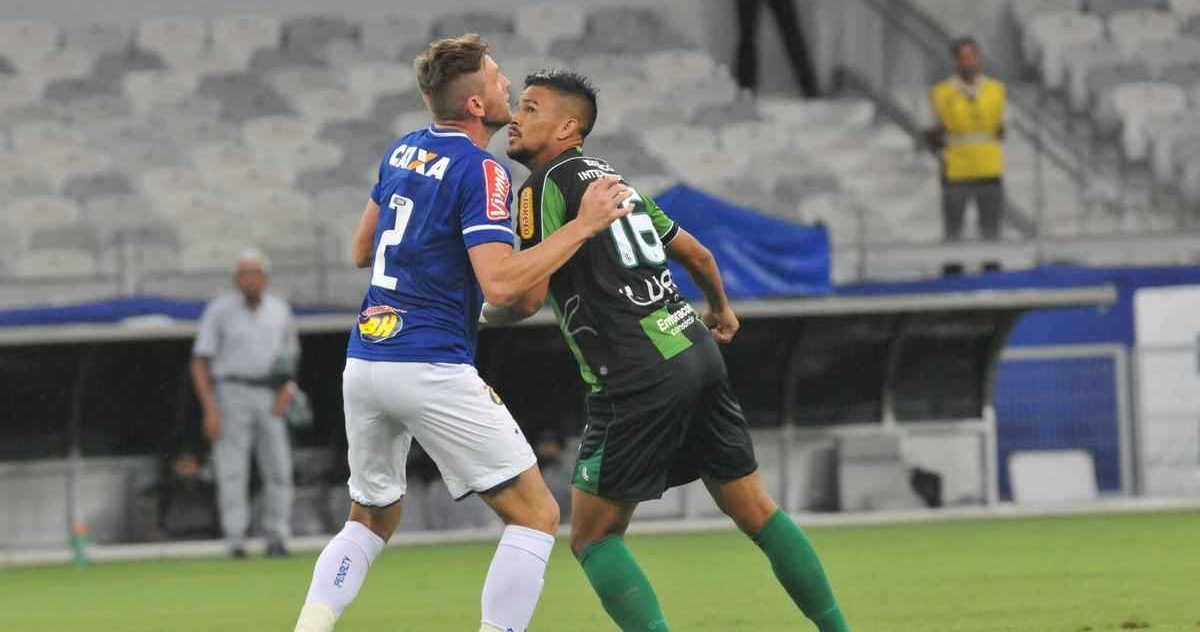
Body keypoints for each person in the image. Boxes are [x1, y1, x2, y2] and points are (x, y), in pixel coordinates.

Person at [487, 70, 851, 632]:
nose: (515, 116)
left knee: (592, 537)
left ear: (567, 127)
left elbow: (529, 294)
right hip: (694, 346)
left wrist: (490, 308)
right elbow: (700, 254)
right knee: (757, 511)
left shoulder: (542, 187)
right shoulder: (615, 183)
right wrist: (722, 309)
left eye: (530, 109)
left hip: (634, 370)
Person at [292, 35, 633, 632]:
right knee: (535, 515)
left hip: (366, 359)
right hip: (430, 362)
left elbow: (360, 249)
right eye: (500, 81)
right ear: (476, 105)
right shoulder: (484, 170)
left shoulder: (402, 150)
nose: (508, 89)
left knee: (369, 518)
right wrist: (581, 227)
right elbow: (501, 286)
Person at [190, 250, 300, 558]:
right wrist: (209, 407)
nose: (249, 279)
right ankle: (235, 537)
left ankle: (277, 534)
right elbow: (200, 361)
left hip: (269, 393)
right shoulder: (219, 311)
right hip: (231, 391)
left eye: (255, 273)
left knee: (278, 467)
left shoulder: (280, 310)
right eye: (243, 273)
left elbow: (290, 359)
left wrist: (286, 392)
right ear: (236, 278)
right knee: (232, 468)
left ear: (265, 278)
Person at [927, 37, 1007, 241]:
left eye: (972, 57)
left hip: (989, 169)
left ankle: (992, 272)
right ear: (955, 61)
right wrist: (942, 157)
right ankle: (954, 271)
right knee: (953, 231)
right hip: (955, 170)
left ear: (979, 59)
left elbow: (1001, 129)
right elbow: (932, 131)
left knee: (991, 232)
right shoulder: (941, 92)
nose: (968, 62)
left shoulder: (996, 90)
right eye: (962, 58)